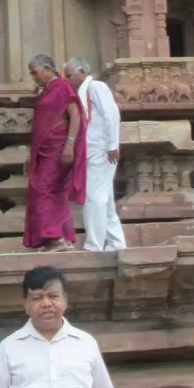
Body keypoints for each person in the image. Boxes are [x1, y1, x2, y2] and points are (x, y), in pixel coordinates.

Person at [62, 58, 126, 253]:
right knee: (104, 199)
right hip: (92, 150)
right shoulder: (82, 92)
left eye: (70, 76)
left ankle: (94, 245)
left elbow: (111, 114)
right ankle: (116, 243)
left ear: (82, 71)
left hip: (101, 149)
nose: (69, 80)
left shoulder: (96, 87)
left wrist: (113, 145)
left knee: (94, 197)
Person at [24, 55, 86, 251]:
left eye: (35, 72)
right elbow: (40, 126)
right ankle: (64, 238)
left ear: (48, 69)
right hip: (43, 149)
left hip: (59, 147)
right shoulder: (45, 92)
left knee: (44, 188)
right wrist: (30, 155)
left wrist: (70, 145)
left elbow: (75, 115)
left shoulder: (63, 86)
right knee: (51, 190)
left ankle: (54, 238)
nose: (33, 76)